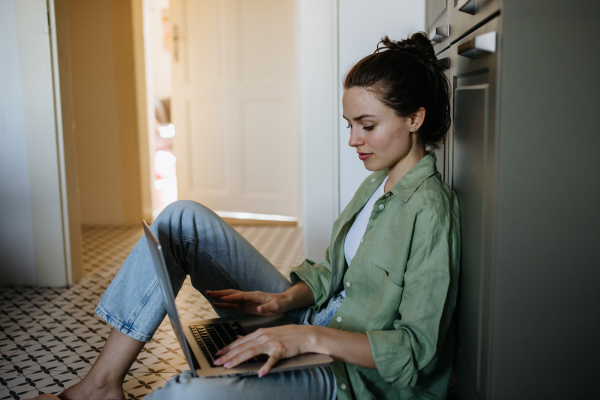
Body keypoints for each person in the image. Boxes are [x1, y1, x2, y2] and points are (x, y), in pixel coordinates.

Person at [31, 32, 460, 400]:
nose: (353, 140)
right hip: (314, 323)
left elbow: (414, 351)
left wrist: (305, 337)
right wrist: (281, 302)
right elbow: (332, 275)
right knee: (182, 219)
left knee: (189, 390)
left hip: (347, 376)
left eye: (366, 125)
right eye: (348, 125)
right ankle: (100, 385)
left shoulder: (431, 212)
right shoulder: (376, 182)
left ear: (414, 118)